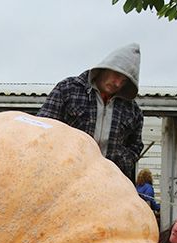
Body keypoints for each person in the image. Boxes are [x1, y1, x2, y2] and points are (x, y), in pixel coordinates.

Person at [37, 43, 144, 181]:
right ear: (106, 68)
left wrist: (121, 160)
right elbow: (43, 127)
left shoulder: (133, 111)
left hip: (108, 181)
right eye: (117, 75)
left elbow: (135, 147)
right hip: (64, 175)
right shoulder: (68, 89)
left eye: (124, 81)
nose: (117, 83)